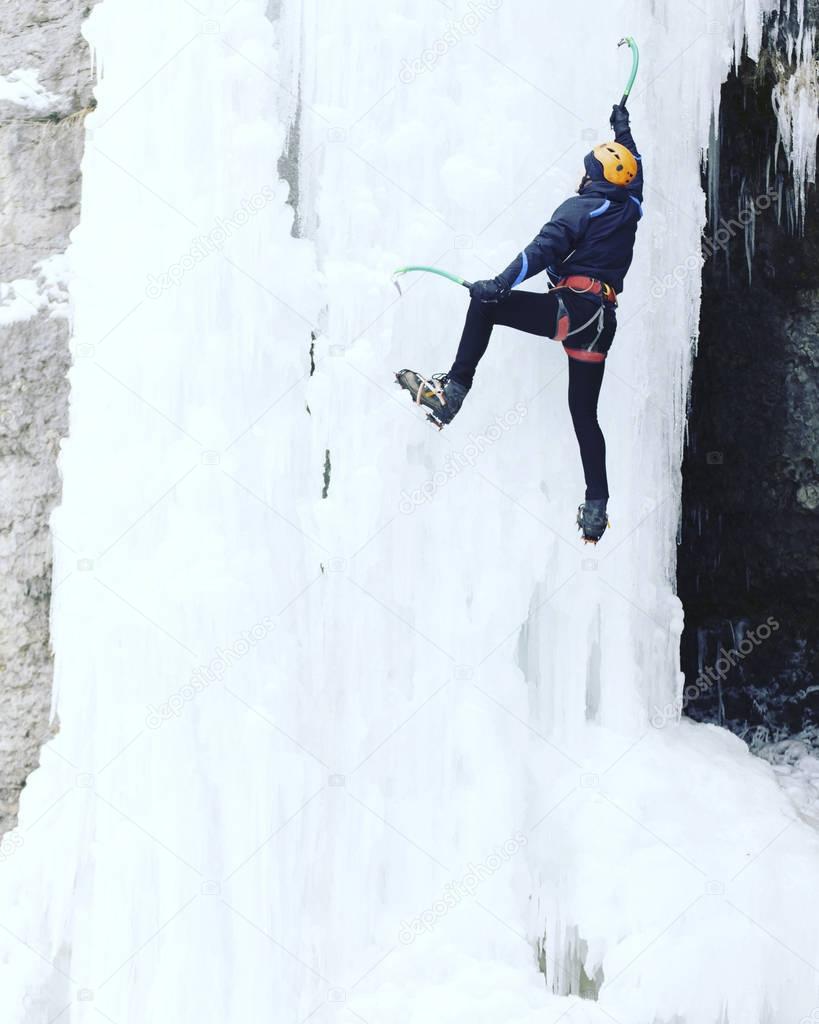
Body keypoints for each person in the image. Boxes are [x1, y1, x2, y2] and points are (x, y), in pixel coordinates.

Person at [396, 103, 643, 543]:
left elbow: (542, 249)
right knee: (585, 415)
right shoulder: (629, 205)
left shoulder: (582, 206)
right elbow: (633, 170)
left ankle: (452, 394)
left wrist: (499, 283)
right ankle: (596, 508)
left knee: (487, 307)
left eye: (587, 170)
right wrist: (622, 130)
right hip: (602, 323)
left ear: (592, 177)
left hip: (575, 310)